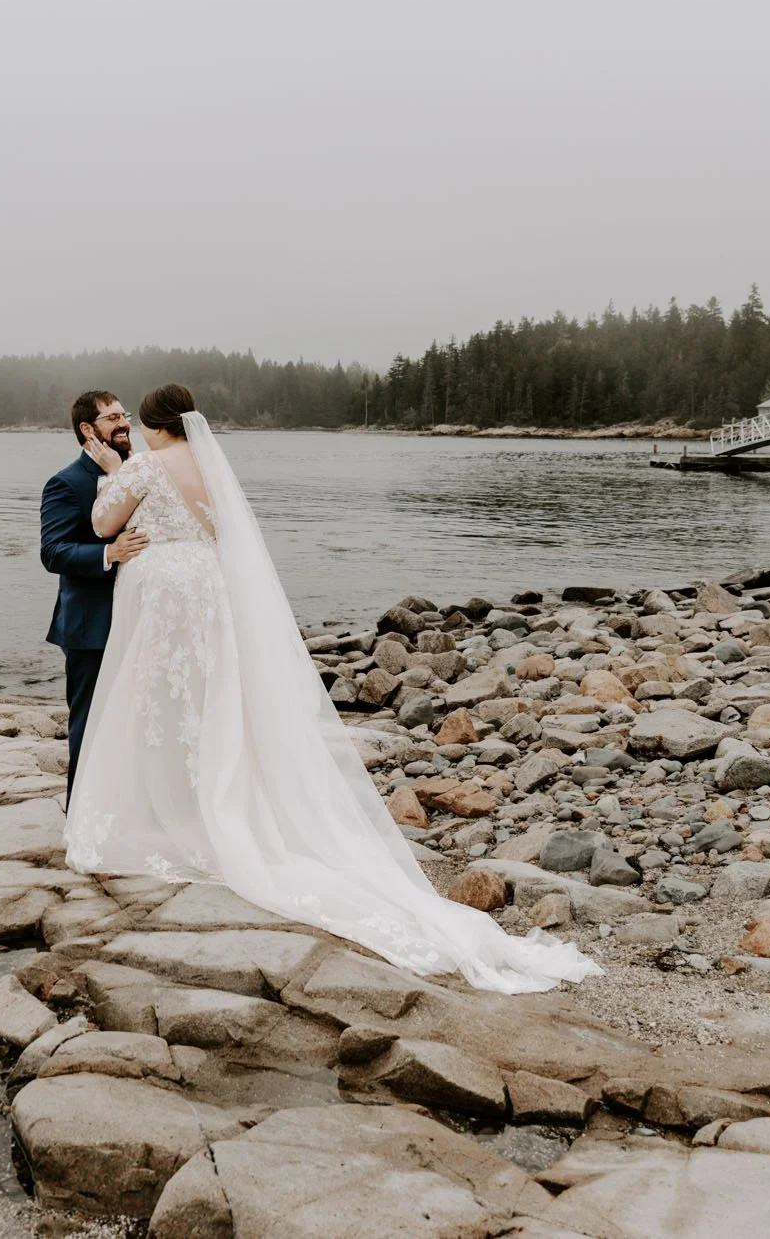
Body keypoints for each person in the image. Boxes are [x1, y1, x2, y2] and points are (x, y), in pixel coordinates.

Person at [63, 383, 598, 994]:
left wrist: (113, 472)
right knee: (213, 701)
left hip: (167, 595)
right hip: (210, 591)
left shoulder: (146, 464)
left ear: (158, 425)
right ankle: (209, 801)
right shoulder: (214, 467)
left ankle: (176, 808)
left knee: (162, 705)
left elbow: (105, 521)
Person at [38, 390, 148, 795]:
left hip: (140, 615)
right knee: (90, 720)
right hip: (91, 624)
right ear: (88, 429)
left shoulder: (139, 470)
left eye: (125, 415)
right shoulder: (66, 483)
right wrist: (109, 552)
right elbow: (53, 551)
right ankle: (80, 810)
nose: (124, 423)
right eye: (113, 418)